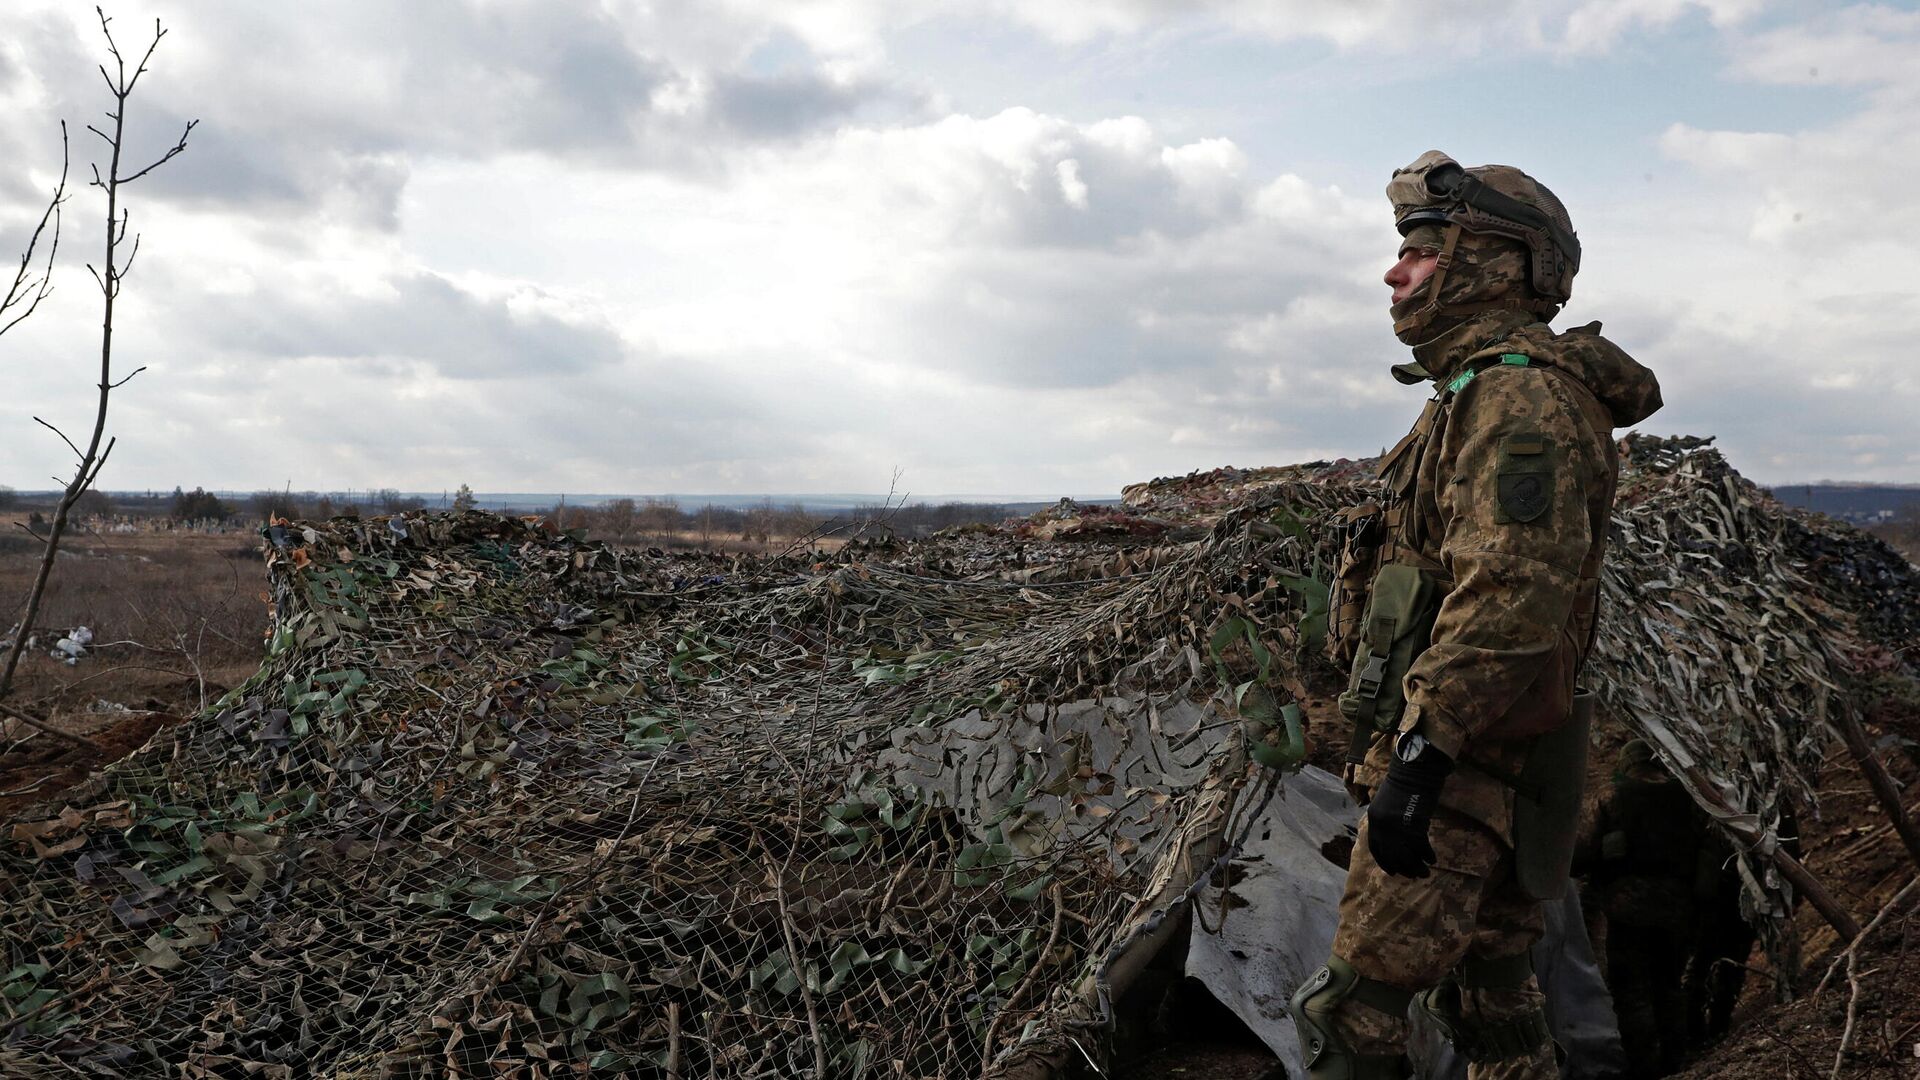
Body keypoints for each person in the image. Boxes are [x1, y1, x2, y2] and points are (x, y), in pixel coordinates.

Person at [1289, 152, 1663, 1079]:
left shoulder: (1514, 397)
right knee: (1495, 1008)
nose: (1395, 270)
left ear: (1493, 262)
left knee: (1349, 1019)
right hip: (1483, 758)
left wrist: (1422, 755)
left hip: (1465, 766)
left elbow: (1511, 591)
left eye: (1421, 248)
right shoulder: (1470, 392)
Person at [1584, 739, 1706, 1076]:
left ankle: (1643, 1066)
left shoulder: (1611, 797)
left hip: (1628, 910)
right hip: (1678, 909)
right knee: (1669, 983)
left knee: (1631, 991)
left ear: (1626, 764)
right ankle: (1676, 1060)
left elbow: (1586, 853)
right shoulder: (1688, 796)